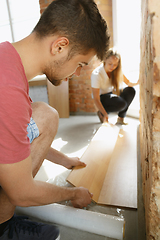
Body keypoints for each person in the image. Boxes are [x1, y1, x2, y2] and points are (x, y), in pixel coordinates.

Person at [0, 0, 110, 239]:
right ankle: (3, 228)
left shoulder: (6, 59)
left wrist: (63, 159)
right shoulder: (7, 89)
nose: (77, 72)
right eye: (80, 64)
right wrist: (73, 194)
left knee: (43, 113)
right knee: (47, 116)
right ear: (60, 46)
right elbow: (22, 193)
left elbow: (13, 137)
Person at [91, 48, 139, 125]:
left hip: (111, 93)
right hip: (101, 98)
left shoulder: (116, 71)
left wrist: (139, 82)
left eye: (115, 64)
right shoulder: (97, 74)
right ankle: (102, 113)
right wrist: (105, 114)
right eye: (110, 63)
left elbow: (128, 83)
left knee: (130, 90)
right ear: (105, 59)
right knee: (122, 103)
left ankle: (121, 118)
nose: (112, 67)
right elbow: (96, 99)